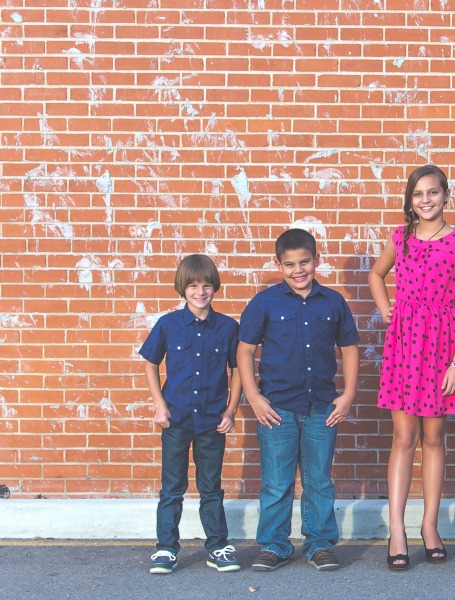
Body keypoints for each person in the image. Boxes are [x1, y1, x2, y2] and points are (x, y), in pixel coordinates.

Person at [367, 165, 455, 571]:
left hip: (441, 348)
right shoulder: (400, 238)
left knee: (433, 437)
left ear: (445, 195)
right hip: (404, 347)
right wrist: (386, 310)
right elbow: (376, 274)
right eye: (418, 194)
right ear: (410, 200)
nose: (426, 200)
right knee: (404, 436)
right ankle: (396, 530)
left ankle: (430, 527)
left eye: (433, 192)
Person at [237, 228, 361, 572]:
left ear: (316, 259)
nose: (298, 270)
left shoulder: (333, 302)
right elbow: (245, 350)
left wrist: (348, 395)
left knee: (319, 480)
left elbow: (349, 348)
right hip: (276, 408)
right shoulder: (265, 303)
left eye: (304, 261)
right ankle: (275, 545)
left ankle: (319, 543)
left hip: (322, 406)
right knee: (277, 481)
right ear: (280, 265)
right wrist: (254, 397)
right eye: (289, 264)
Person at [140, 254, 243, 574]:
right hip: (177, 419)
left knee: (211, 487)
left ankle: (217, 546)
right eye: (193, 286)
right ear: (182, 288)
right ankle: (166, 549)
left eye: (207, 285)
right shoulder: (168, 325)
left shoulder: (228, 327)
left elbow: (238, 368)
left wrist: (231, 409)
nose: (200, 292)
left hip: (213, 420)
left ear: (215, 288)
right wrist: (160, 405)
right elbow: (149, 363)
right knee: (172, 488)